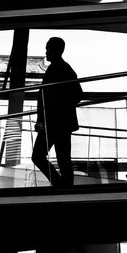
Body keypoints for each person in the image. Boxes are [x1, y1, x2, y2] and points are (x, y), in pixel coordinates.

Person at [31, 37, 83, 187]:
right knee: (63, 158)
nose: (46, 51)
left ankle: (60, 184)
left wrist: (48, 115)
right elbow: (77, 94)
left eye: (48, 48)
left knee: (39, 156)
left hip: (53, 122)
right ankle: (64, 186)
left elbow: (46, 97)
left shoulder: (58, 69)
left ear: (54, 50)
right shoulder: (64, 68)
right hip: (61, 122)